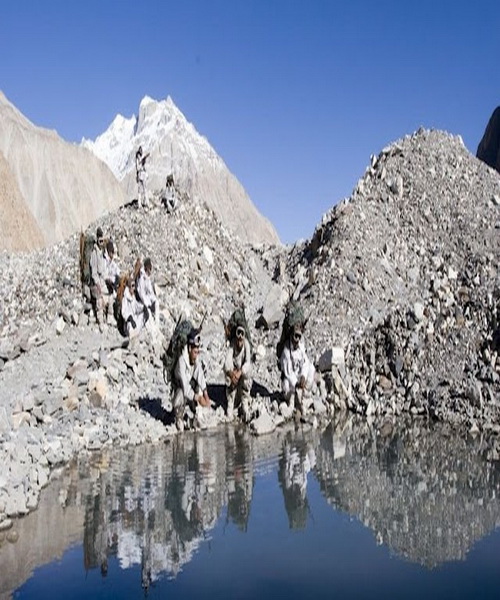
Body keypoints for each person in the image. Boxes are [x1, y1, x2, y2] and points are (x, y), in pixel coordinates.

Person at [173, 327, 211, 431]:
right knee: (180, 394)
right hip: (181, 389)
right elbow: (185, 387)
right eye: (195, 352)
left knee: (198, 385)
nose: (196, 355)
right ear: (189, 349)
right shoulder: (181, 361)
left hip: (190, 386)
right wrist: (199, 398)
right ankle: (179, 417)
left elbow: (200, 374)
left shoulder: (195, 357)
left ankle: (196, 416)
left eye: (198, 351)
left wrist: (205, 394)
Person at [279, 322, 315, 413]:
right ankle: (291, 399)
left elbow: (305, 363)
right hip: (290, 380)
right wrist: (296, 383)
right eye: (295, 336)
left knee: (312, 368)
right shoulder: (286, 351)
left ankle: (304, 393)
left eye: (299, 337)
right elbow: (288, 372)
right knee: (287, 387)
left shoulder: (301, 347)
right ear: (292, 335)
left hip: (298, 375)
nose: (297, 339)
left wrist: (303, 376)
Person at [224, 323, 252, 419]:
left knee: (248, 372)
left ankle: (245, 404)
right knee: (227, 374)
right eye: (238, 334)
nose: (240, 339)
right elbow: (226, 363)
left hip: (242, 375)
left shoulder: (247, 345)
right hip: (234, 376)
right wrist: (232, 374)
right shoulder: (232, 345)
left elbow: (248, 363)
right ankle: (230, 404)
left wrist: (240, 372)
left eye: (242, 334)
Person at [89, 227, 107, 332]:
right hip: (96, 282)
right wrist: (98, 284)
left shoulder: (103, 252)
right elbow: (94, 273)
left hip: (103, 279)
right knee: (100, 298)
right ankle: (101, 321)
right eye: (100, 241)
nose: (101, 243)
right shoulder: (94, 254)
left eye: (103, 241)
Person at [103, 240, 120, 325]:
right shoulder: (104, 261)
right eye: (112, 253)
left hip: (111, 283)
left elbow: (116, 269)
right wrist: (111, 279)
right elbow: (104, 275)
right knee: (112, 297)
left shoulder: (111, 261)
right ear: (109, 252)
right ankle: (110, 316)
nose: (113, 255)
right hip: (104, 284)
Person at [136, 257, 158, 324]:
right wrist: (148, 304)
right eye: (150, 268)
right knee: (148, 310)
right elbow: (141, 293)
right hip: (141, 300)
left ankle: (156, 322)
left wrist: (153, 300)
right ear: (147, 268)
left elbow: (150, 291)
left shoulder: (147, 277)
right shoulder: (141, 277)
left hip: (146, 297)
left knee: (156, 303)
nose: (150, 271)